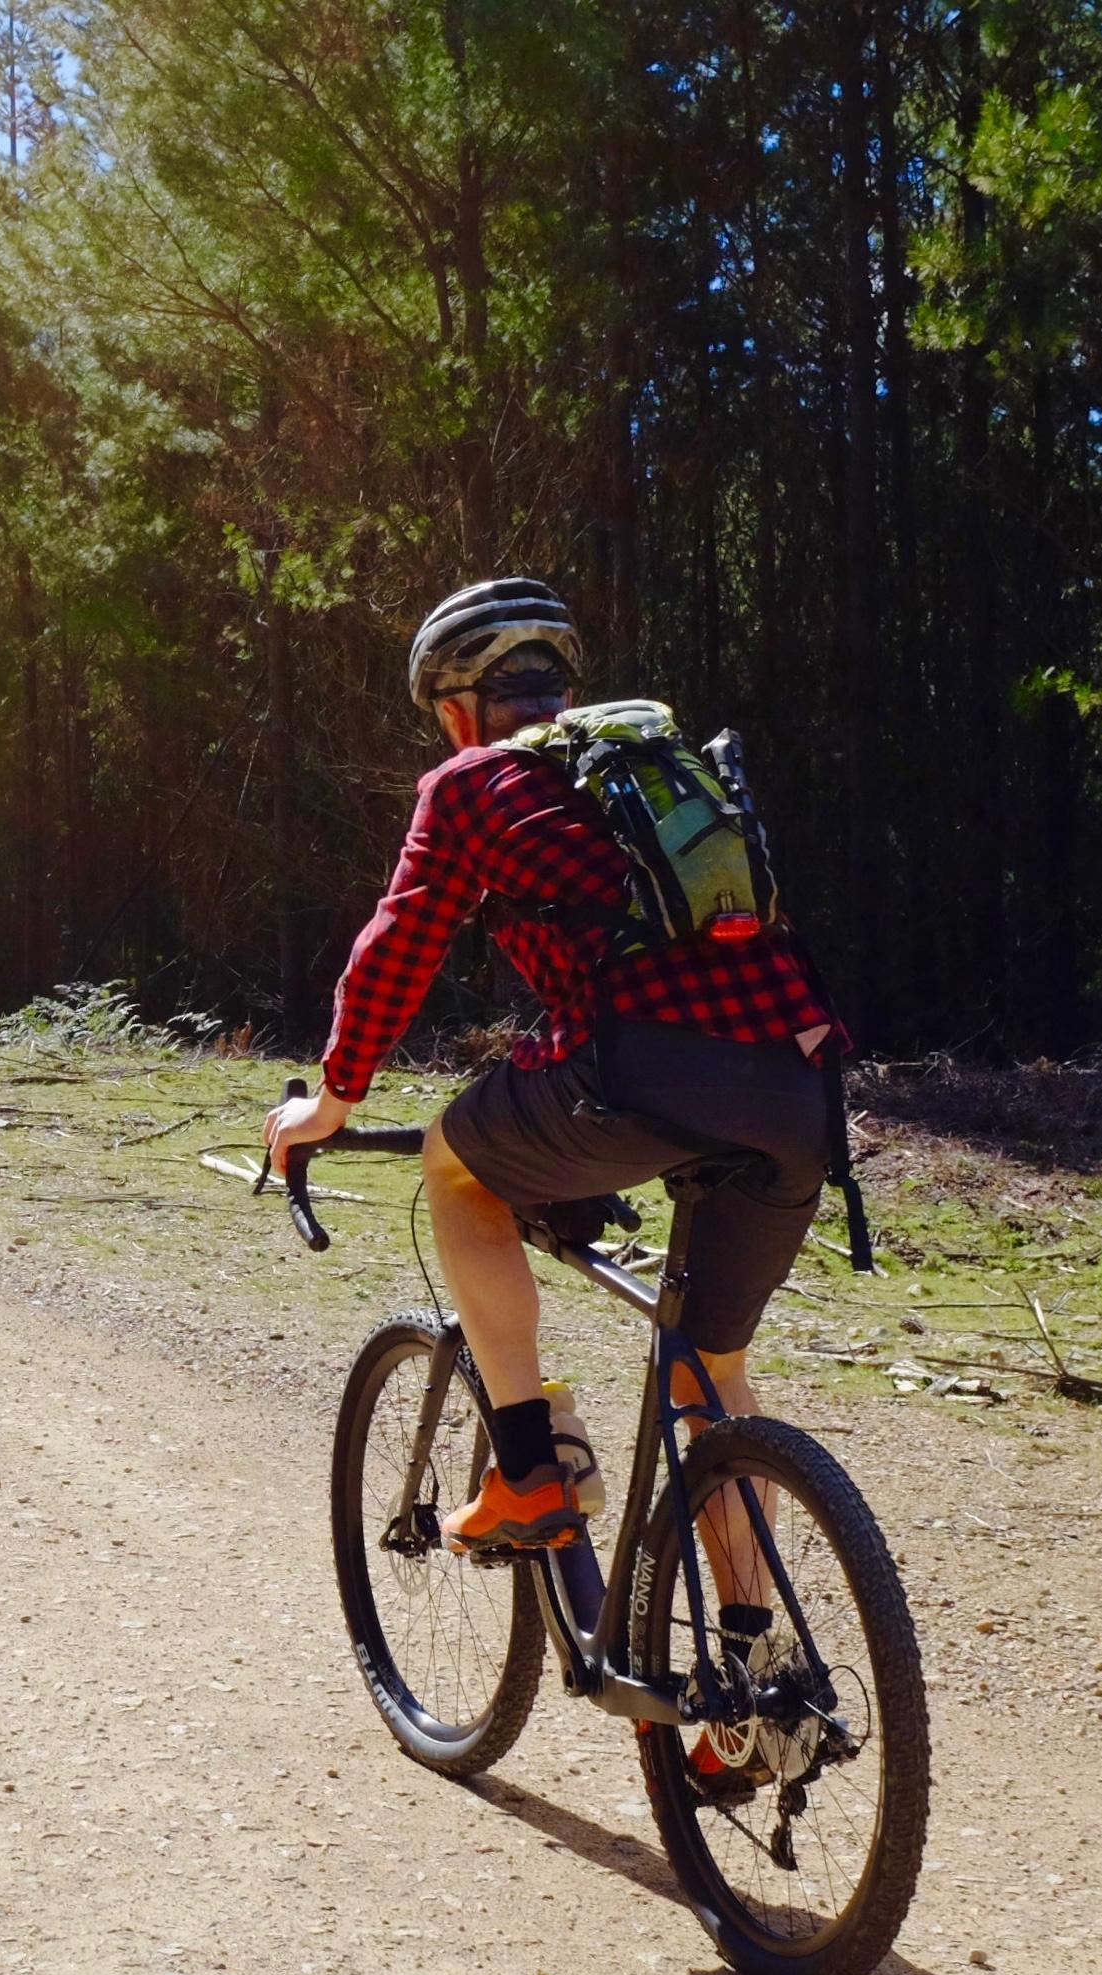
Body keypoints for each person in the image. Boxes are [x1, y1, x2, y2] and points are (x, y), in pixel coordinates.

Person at [265, 577, 841, 1587]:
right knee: (713, 1374)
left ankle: (533, 1467)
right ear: (560, 692)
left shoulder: (475, 780)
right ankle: (758, 1663)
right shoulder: (650, 769)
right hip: (801, 1085)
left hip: (646, 1073)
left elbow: (397, 948)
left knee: (455, 1163)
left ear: (457, 710)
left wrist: (332, 1101)